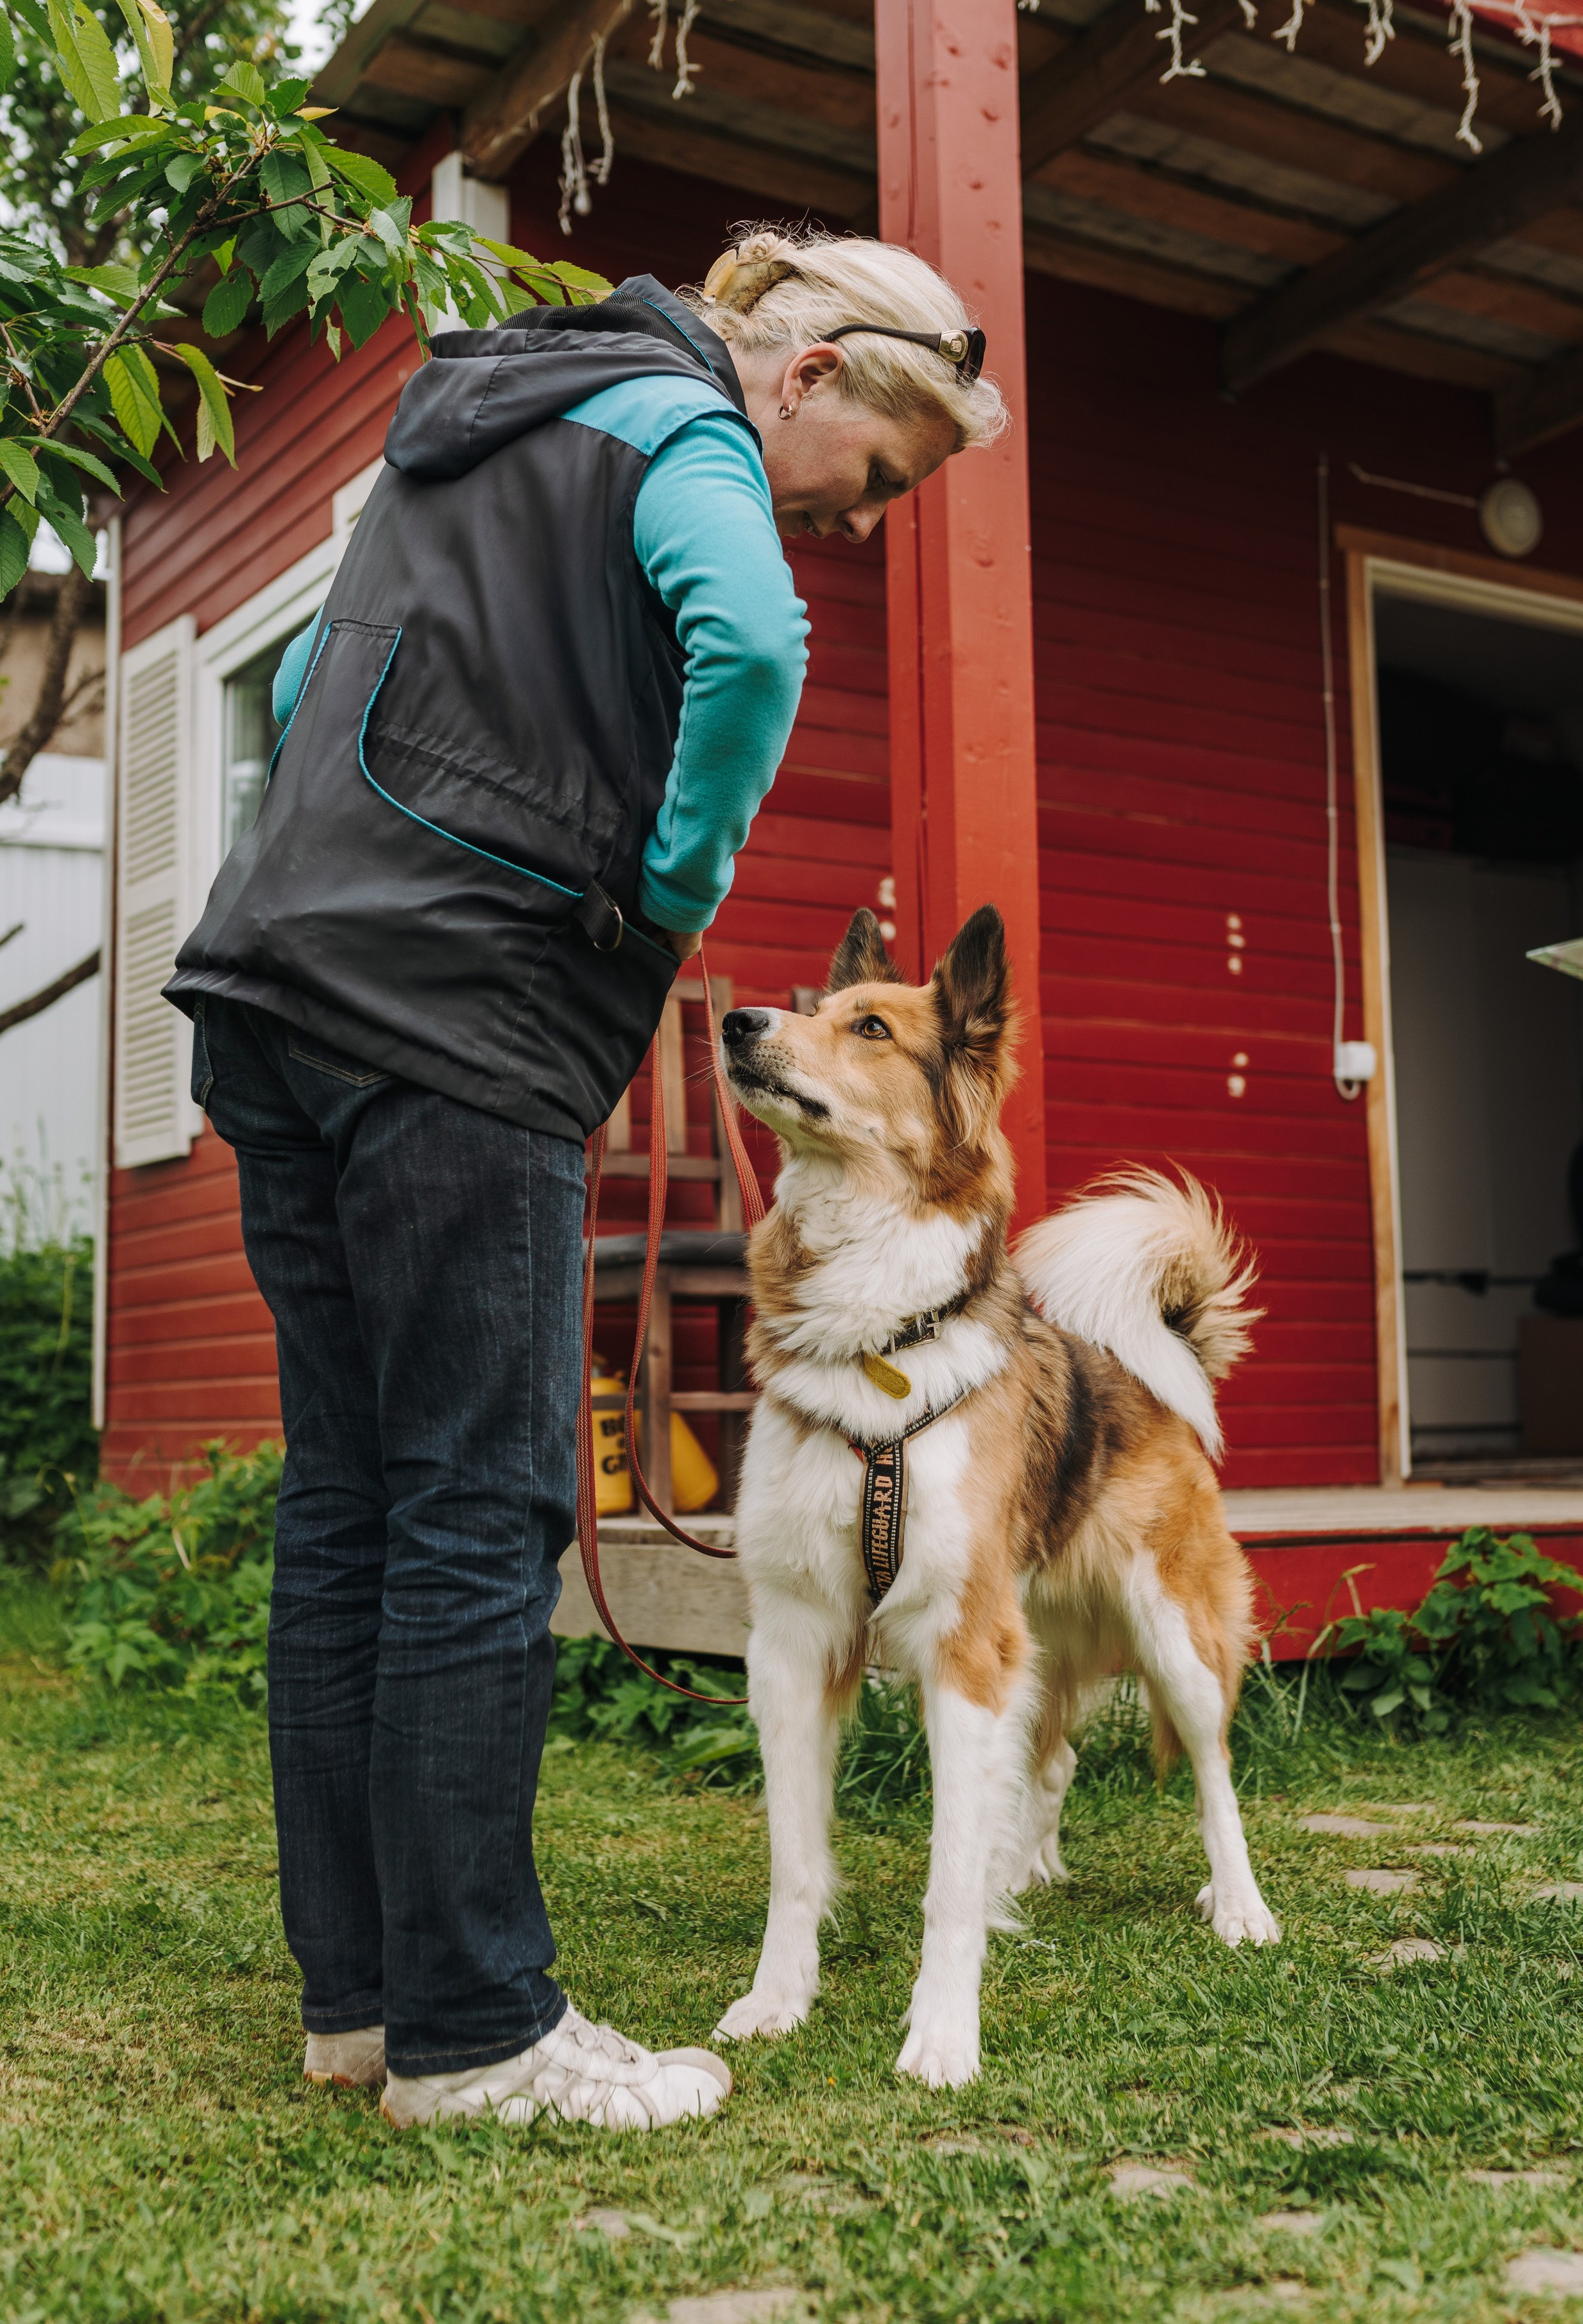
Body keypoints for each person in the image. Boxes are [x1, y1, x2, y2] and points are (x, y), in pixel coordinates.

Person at [164, 228, 1007, 2131]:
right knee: (479, 1505)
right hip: (456, 1018)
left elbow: (312, 686)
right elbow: (757, 643)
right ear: (803, 378)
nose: (854, 524)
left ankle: (365, 2005)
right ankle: (478, 2033)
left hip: (279, 988)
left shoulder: (475, 414)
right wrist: (669, 893)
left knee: (356, 1506)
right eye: (871, 480)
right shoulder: (687, 431)